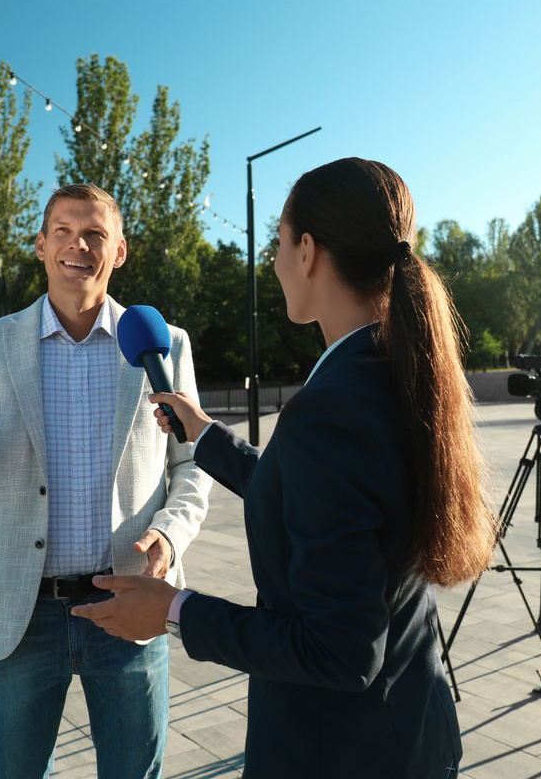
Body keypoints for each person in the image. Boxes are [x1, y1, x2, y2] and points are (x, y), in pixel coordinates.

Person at [73, 157, 496, 778]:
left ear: (307, 251)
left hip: (341, 753)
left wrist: (174, 611)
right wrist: (207, 435)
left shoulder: (330, 409)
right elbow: (316, 492)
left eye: (276, 243)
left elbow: (342, 651)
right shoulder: (393, 372)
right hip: (410, 731)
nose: (271, 264)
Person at [0, 182, 211, 779]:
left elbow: (191, 465)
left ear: (119, 252)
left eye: (95, 233)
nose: (77, 245)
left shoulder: (166, 346)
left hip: (131, 606)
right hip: (16, 612)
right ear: (40, 245)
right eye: (63, 231)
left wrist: (169, 536)